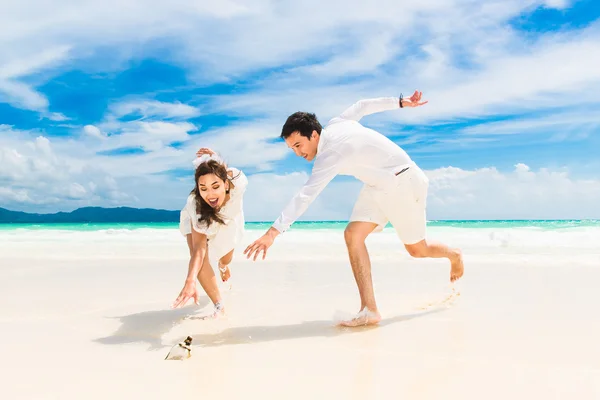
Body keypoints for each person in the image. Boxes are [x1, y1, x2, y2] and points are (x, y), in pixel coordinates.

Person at [244, 91, 464, 327]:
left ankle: (455, 255)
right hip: (377, 185)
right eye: (292, 149)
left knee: (417, 250)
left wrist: (272, 233)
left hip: (403, 181)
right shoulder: (337, 123)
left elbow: (306, 195)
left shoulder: (330, 154)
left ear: (314, 135)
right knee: (352, 235)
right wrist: (400, 102)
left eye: (299, 145)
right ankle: (369, 310)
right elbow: (362, 105)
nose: (298, 153)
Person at [171, 147, 248, 318]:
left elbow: (224, 171)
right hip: (202, 219)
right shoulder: (196, 205)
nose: (210, 194)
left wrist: (215, 158)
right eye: (203, 188)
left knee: (226, 258)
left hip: (229, 220)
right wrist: (190, 281)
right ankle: (219, 306)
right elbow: (199, 249)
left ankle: (223, 266)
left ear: (225, 184)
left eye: (215, 187)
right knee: (197, 255)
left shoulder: (238, 181)